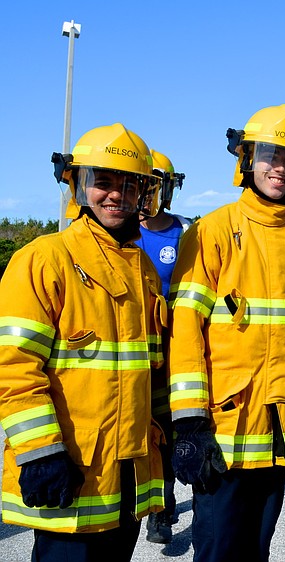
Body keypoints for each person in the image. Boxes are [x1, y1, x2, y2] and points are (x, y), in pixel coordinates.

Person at [168, 104, 285, 561]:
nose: (279, 168)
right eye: (269, 155)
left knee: (256, 549)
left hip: (280, 428)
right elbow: (184, 329)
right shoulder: (212, 231)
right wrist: (189, 422)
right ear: (246, 159)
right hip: (223, 431)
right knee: (218, 550)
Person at [0, 123, 166, 561]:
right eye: (103, 183)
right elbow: (13, 366)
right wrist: (40, 453)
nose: (116, 195)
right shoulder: (43, 258)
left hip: (127, 478)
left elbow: (149, 368)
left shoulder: (144, 270)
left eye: (129, 185)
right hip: (70, 471)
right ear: (78, 185)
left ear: (144, 194)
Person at [137, 149, 190, 544]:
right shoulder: (118, 230)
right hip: (133, 348)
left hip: (174, 347)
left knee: (169, 431)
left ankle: (162, 510)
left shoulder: (186, 233)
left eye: (155, 186)